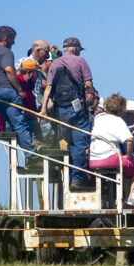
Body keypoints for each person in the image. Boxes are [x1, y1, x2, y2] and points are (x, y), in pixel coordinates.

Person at [40, 37, 97, 184]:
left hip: (62, 109)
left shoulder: (55, 64)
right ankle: (77, 179)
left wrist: (44, 109)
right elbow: (88, 84)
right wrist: (89, 101)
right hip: (78, 107)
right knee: (80, 143)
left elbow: (48, 88)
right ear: (76, 49)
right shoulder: (81, 61)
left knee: (69, 142)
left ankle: (73, 172)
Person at [0, 25, 34, 155]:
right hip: (4, 91)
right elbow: (9, 70)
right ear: (6, 38)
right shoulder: (6, 52)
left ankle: (28, 151)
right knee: (21, 122)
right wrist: (20, 90)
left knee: (15, 121)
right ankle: (32, 155)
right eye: (12, 39)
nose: (13, 43)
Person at [86, 94, 134, 206]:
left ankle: (127, 197)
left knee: (127, 169)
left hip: (93, 161)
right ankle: (133, 197)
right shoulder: (117, 120)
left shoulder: (97, 119)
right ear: (121, 109)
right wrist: (128, 155)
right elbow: (129, 140)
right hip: (109, 159)